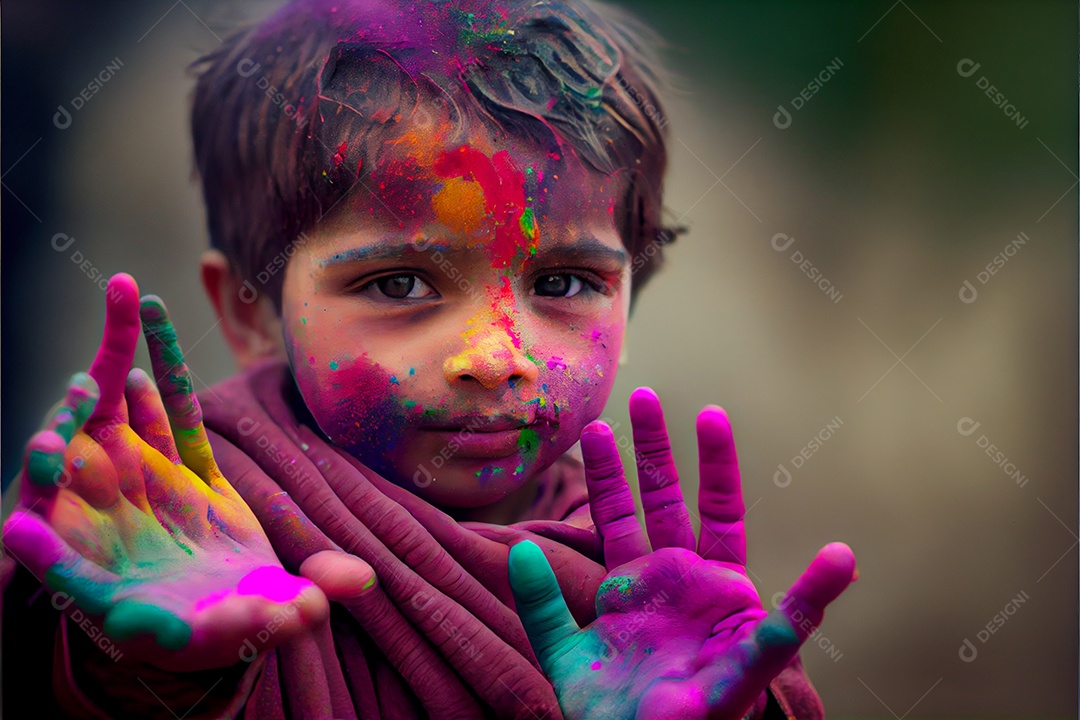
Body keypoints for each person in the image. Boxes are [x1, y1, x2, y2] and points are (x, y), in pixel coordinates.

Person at [2, 0, 856, 717]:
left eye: (563, 280)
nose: (496, 358)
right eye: (401, 283)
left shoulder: (657, 600)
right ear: (252, 310)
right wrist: (134, 667)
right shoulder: (186, 528)